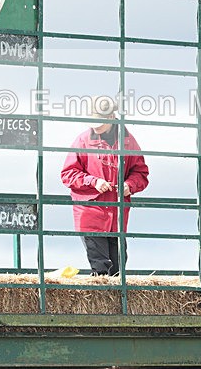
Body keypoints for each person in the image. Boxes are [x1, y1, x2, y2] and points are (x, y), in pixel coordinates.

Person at [60, 96, 149, 275]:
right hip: (90, 213)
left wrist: (129, 185)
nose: (94, 125)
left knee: (118, 270)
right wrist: (93, 181)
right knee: (100, 269)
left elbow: (141, 173)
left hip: (117, 215)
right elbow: (67, 174)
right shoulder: (83, 141)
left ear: (110, 117)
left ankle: (118, 301)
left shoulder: (129, 141)